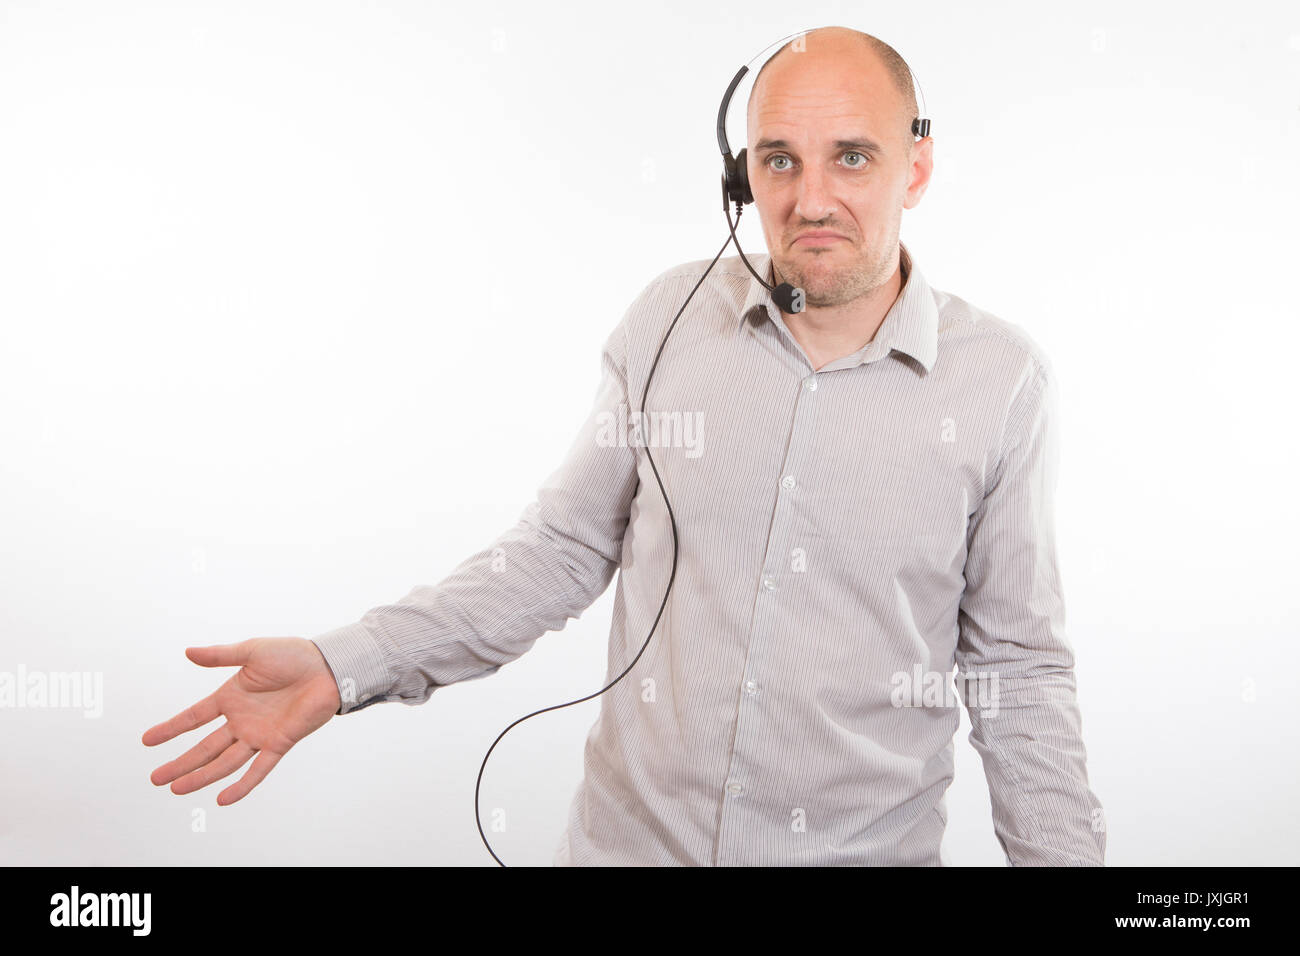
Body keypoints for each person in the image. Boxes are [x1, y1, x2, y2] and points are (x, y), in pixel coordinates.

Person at [143, 25, 1106, 866]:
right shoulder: (668, 322)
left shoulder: (1002, 385)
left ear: (918, 167)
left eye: (851, 156)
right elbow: (559, 551)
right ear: (743, 176)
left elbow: (1018, 672)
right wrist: (344, 662)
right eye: (778, 159)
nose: (810, 199)